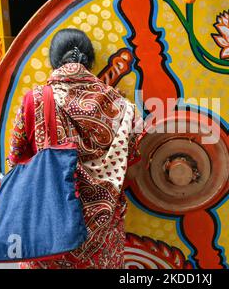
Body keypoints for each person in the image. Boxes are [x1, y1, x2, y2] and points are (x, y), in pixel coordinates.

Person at [7, 28, 141, 269]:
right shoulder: (123, 106)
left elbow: (15, 159)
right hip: (103, 237)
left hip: (48, 231)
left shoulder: (35, 100)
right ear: (90, 62)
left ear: (54, 62)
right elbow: (132, 158)